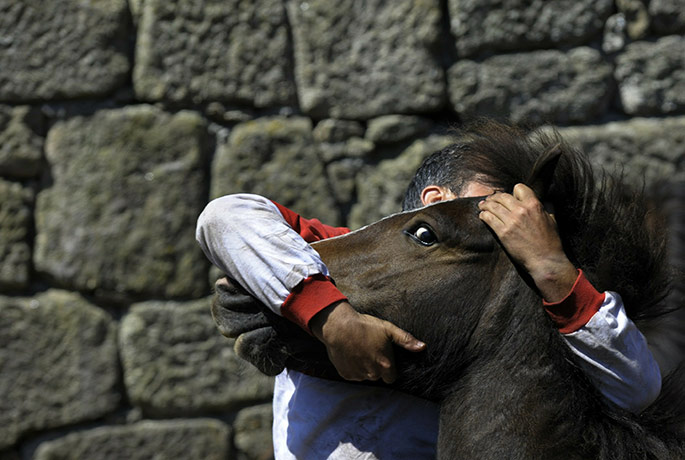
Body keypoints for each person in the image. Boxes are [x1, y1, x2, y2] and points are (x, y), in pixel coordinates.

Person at [196, 126, 662, 459]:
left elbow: (637, 387)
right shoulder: (320, 257)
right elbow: (227, 217)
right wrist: (334, 320)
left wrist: (551, 267)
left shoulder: (529, 296)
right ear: (438, 202)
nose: (513, 220)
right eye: (495, 204)